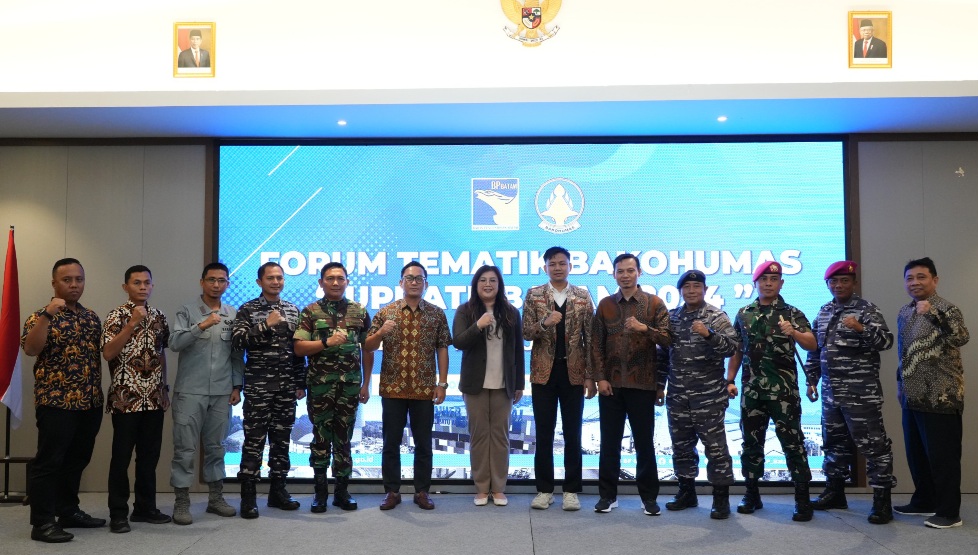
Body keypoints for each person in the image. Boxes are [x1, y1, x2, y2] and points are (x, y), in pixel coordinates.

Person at [804, 261, 896, 524]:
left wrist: (861, 328)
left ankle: (882, 502)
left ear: (854, 283)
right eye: (833, 281)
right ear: (827, 285)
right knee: (833, 444)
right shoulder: (824, 311)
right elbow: (816, 349)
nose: (838, 285)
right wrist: (811, 380)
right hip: (830, 393)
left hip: (861, 394)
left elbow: (886, 341)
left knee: (874, 446)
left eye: (844, 280)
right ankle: (835, 493)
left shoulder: (867, 310)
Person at [21, 258, 105, 543]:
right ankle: (42, 522)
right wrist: (47, 315)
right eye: (67, 280)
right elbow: (31, 349)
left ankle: (68, 511)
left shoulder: (91, 317)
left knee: (77, 460)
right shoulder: (39, 316)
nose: (74, 285)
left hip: (89, 402)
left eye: (79, 279)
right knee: (49, 462)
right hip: (56, 402)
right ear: (54, 283)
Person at [726, 261, 817, 522]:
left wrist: (794, 332)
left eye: (773, 279)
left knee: (793, 444)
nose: (768, 283)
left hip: (784, 393)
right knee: (751, 444)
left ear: (781, 283)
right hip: (752, 391)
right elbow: (737, 349)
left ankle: (802, 499)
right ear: (755, 283)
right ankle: (751, 494)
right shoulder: (744, 313)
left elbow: (812, 344)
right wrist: (729, 379)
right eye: (763, 279)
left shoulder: (792, 313)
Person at [364, 261, 451, 511]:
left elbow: (442, 348)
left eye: (419, 278)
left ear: (426, 283)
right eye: (409, 278)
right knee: (390, 443)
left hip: (424, 389)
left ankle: (422, 491)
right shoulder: (386, 312)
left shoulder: (436, 313)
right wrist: (381, 332)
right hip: (393, 388)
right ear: (401, 282)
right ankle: (392, 491)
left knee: (423, 444)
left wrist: (442, 383)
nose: (414, 282)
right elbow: (368, 346)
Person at [590, 253, 672, 515]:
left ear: (639, 273)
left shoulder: (654, 303)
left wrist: (644, 329)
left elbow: (668, 340)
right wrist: (600, 378)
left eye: (630, 270)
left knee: (644, 443)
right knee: (609, 443)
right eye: (620, 271)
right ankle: (607, 496)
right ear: (614, 274)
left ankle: (649, 498)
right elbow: (596, 345)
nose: (625, 275)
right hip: (611, 385)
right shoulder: (605, 305)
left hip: (643, 385)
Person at [894, 257, 969, 529]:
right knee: (916, 456)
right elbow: (904, 352)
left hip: (941, 395)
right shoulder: (905, 311)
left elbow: (961, 337)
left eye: (921, 277)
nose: (915, 282)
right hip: (912, 396)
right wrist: (899, 384)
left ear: (935, 280)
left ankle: (949, 513)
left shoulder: (947, 308)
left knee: (943, 458)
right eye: (910, 278)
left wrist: (933, 314)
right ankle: (924, 501)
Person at [657, 270, 739, 519]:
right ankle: (687, 492)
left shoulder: (716, 316)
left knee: (715, 448)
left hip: (708, 396)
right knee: (681, 446)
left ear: (705, 289)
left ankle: (721, 499)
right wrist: (660, 385)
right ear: (680, 291)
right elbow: (663, 355)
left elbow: (733, 348)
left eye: (696, 286)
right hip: (678, 395)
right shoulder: (672, 317)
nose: (691, 291)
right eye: (687, 287)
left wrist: (709, 334)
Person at [293, 262, 373, 513]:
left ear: (347, 281)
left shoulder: (359, 311)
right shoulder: (310, 312)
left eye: (340, 278)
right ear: (321, 282)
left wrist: (366, 383)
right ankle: (320, 494)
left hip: (350, 387)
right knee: (320, 438)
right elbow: (299, 348)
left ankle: (342, 492)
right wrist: (326, 342)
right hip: (320, 386)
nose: (335, 282)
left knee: (344, 439)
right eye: (330, 278)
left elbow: (368, 348)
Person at [168, 262, 244, 525]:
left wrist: (237, 386)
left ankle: (215, 498)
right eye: (211, 280)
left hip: (222, 392)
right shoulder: (187, 311)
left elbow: (236, 354)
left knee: (216, 448)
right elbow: (174, 343)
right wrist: (200, 326)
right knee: (185, 449)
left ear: (227, 284)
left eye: (222, 280)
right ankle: (181, 501)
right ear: (202, 282)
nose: (216, 285)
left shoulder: (233, 314)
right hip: (190, 391)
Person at [231, 261, 305, 518]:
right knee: (254, 442)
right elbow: (237, 342)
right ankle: (248, 497)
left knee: (282, 441)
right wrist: (265, 324)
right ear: (259, 282)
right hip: (259, 387)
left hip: (286, 387)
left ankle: (278, 492)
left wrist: (300, 383)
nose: (276, 282)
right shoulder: (248, 309)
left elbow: (297, 351)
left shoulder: (293, 310)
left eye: (279, 278)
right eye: (270, 278)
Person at [523, 246, 595, 511]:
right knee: (544, 433)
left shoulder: (583, 296)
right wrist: (545, 323)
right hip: (543, 374)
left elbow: (591, 339)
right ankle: (544, 490)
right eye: (552, 264)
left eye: (562, 263)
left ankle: (571, 490)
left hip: (573, 373)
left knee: (573, 433)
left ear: (570, 266)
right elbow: (526, 332)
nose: (557, 268)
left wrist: (590, 376)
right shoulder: (534, 295)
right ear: (545, 267)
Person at [102, 265, 172, 533]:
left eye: (147, 282)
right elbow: (108, 353)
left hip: (153, 398)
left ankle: (145, 508)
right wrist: (131, 323)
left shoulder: (159, 316)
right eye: (137, 283)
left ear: (152, 285)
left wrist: (164, 388)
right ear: (126, 287)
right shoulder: (116, 316)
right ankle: (118, 513)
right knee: (121, 459)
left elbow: (161, 352)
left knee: (148, 457)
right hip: (125, 398)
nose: (143, 287)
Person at [453, 266, 525, 507]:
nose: (488, 284)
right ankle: (482, 488)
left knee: (501, 437)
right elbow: (458, 342)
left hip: (504, 384)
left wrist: (519, 383)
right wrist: (478, 325)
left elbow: (518, 351)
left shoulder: (511, 312)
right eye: (483, 280)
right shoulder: (465, 310)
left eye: (493, 280)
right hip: (475, 385)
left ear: (499, 284)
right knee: (479, 436)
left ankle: (499, 488)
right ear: (476, 284)